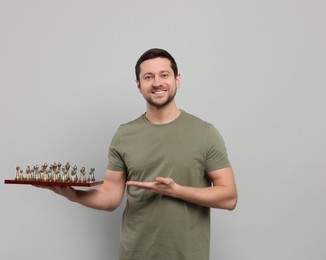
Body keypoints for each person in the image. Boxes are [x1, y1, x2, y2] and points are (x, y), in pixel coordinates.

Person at [44, 48, 237, 260]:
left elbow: (229, 198)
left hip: (188, 254)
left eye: (164, 75)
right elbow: (110, 196)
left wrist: (177, 191)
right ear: (139, 85)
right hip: (136, 253)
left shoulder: (205, 133)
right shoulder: (124, 135)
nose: (157, 83)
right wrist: (74, 195)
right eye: (148, 77)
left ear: (177, 79)